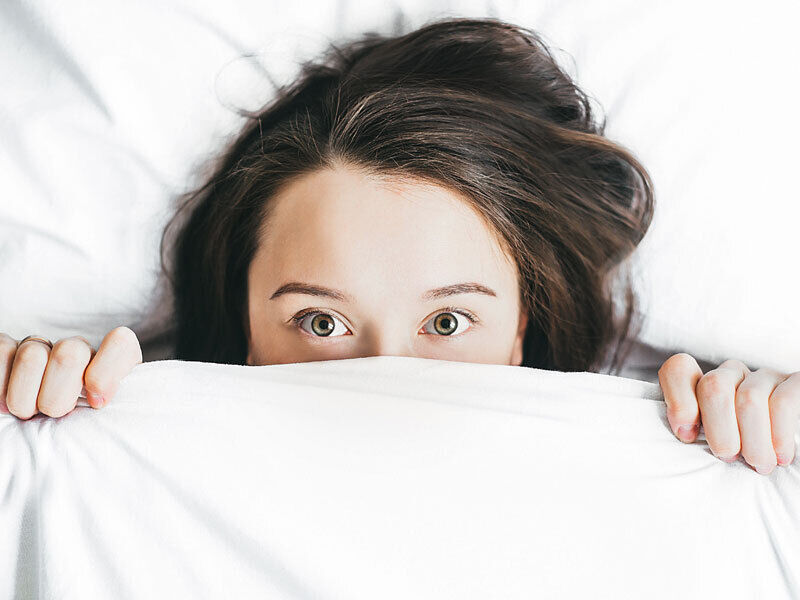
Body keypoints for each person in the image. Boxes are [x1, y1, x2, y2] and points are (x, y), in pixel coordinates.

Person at [1, 17, 796, 475]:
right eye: (320, 322)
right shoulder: (112, 463)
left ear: (522, 330)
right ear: (243, 329)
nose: (385, 383)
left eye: (447, 322)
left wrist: (772, 438)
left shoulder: (669, 462)